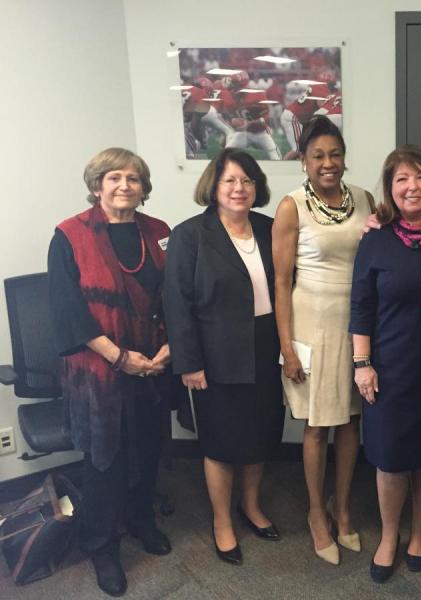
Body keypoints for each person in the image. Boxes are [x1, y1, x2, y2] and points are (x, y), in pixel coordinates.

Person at [48, 148, 174, 596]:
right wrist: (120, 357)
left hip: (154, 365)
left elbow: (176, 297)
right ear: (97, 184)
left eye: (134, 178)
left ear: (144, 187)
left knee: (147, 448)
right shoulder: (68, 235)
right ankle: (102, 545)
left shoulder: (159, 233)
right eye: (115, 177)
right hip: (99, 370)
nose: (125, 185)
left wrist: (167, 348)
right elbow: (68, 313)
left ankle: (141, 520)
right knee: (105, 461)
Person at [163, 148, 285, 566]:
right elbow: (176, 303)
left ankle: (250, 506)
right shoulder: (190, 234)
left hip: (268, 347)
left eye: (247, 181)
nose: (239, 188)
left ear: (257, 187)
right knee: (220, 441)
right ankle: (221, 521)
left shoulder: (271, 229)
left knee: (260, 434)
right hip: (215, 355)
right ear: (213, 187)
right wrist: (189, 362)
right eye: (230, 180)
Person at [350, 146, 421, 583]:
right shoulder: (375, 240)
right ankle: (389, 535)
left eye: (420, 177)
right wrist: (362, 363)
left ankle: (420, 531)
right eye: (401, 180)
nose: (412, 187)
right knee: (390, 458)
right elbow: (360, 307)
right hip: (388, 368)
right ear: (390, 190)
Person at [273, 115, 374, 565]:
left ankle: (344, 507)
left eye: (335, 154)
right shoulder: (291, 206)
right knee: (316, 426)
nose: (328, 163)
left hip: (357, 327)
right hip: (310, 328)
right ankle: (317, 514)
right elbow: (280, 282)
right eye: (318, 156)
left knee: (351, 423)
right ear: (304, 161)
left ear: (344, 158)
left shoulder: (366, 200)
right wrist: (287, 348)